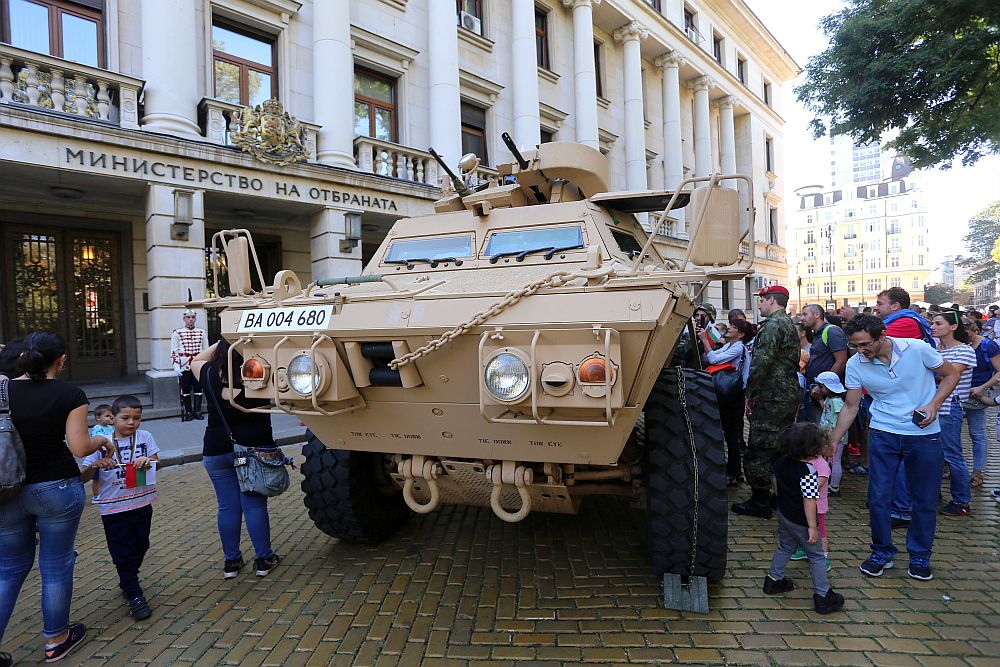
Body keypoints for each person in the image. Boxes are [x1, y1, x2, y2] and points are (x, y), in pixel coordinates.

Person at [0, 332, 110, 664]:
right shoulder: (69, 394)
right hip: (56, 489)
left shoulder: (2, 391)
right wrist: (102, 442)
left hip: (7, 490)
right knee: (55, 566)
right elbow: (79, 447)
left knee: (7, 570)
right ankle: (57, 639)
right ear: (60, 361)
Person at [828, 315, 961, 581]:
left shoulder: (918, 349)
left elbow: (951, 374)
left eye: (865, 344)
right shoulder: (856, 364)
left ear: (882, 335)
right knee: (878, 498)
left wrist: (933, 405)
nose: (860, 351)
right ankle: (881, 552)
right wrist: (832, 441)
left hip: (923, 435)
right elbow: (852, 406)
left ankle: (920, 556)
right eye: (855, 345)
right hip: (883, 433)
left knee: (923, 499)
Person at [192, 340, 281, 579]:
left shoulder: (207, 371)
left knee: (227, 506)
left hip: (215, 447)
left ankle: (231, 562)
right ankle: (263, 559)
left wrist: (224, 340)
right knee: (253, 504)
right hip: (253, 447)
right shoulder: (260, 373)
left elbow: (197, 358)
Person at [80, 395, 159, 620]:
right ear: (112, 418)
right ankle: (134, 594)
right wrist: (95, 464)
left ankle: (128, 580)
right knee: (122, 551)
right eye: (126, 418)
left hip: (142, 502)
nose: (131, 423)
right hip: (113, 508)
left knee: (141, 544)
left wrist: (149, 462)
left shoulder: (145, 436)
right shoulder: (100, 441)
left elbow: (157, 463)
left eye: (137, 418)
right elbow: (82, 477)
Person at [761, 422, 844, 614]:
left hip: (784, 515)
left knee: (785, 546)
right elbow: (809, 500)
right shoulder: (808, 472)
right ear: (812, 448)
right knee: (816, 557)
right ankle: (823, 596)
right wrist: (813, 527)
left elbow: (775, 483)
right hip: (801, 520)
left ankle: (773, 580)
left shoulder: (780, 462)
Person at [733, 285, 801, 519]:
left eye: (761, 300)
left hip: (771, 395)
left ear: (771, 300)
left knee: (760, 450)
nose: (759, 305)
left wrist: (750, 392)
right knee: (779, 447)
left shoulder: (772, 326)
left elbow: (761, 363)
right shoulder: (787, 324)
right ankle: (776, 496)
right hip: (784, 394)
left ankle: (760, 501)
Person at [928, 311, 976, 517]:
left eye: (938, 323)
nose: (933, 327)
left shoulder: (964, 351)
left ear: (953, 327)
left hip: (950, 407)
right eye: (932, 323)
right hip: (934, 407)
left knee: (952, 455)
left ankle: (962, 500)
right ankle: (933, 494)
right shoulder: (935, 350)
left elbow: (949, 375)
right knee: (933, 454)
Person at [699, 319, 756, 486]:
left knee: (731, 434)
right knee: (731, 434)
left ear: (741, 334)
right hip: (730, 394)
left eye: (733, 327)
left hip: (733, 395)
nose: (729, 328)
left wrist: (704, 340)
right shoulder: (731, 345)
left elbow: (714, 360)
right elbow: (712, 356)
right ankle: (735, 471)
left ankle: (733, 472)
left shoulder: (738, 347)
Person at [964, 318, 1000, 488]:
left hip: (977, 395)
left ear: (973, 330)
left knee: (977, 434)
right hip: (955, 394)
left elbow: (999, 371)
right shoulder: (954, 344)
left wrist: (982, 388)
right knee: (949, 435)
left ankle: (978, 471)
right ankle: (950, 467)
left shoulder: (987, 346)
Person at [801, 304, 849, 422]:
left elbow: (841, 361)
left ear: (817, 315)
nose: (802, 318)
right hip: (818, 392)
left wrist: (824, 387)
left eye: (805, 314)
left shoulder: (832, 331)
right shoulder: (817, 333)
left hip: (827, 394)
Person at [171, 309, 209, 421]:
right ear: (184, 319)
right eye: (188, 317)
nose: (191, 319)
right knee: (186, 390)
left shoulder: (202, 332)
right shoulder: (177, 333)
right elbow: (174, 351)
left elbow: (206, 350)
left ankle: (197, 411)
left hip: (198, 365)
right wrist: (176, 366)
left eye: (193, 317)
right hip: (184, 366)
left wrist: (206, 364)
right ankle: (188, 412)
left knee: (198, 388)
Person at [813, 371, 848, 496]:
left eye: (821, 386)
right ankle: (827, 482)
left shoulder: (837, 402)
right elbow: (827, 411)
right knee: (828, 459)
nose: (819, 389)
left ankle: (834, 486)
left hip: (836, 436)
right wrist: (820, 399)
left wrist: (834, 435)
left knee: (835, 460)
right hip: (828, 435)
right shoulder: (830, 399)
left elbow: (840, 418)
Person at [88, 404, 116, 497]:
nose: (110, 417)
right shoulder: (97, 429)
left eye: (111, 415)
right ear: (98, 417)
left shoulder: (110, 428)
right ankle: (96, 495)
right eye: (107, 416)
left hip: (108, 454)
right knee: (96, 476)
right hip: (99, 455)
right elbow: (97, 442)